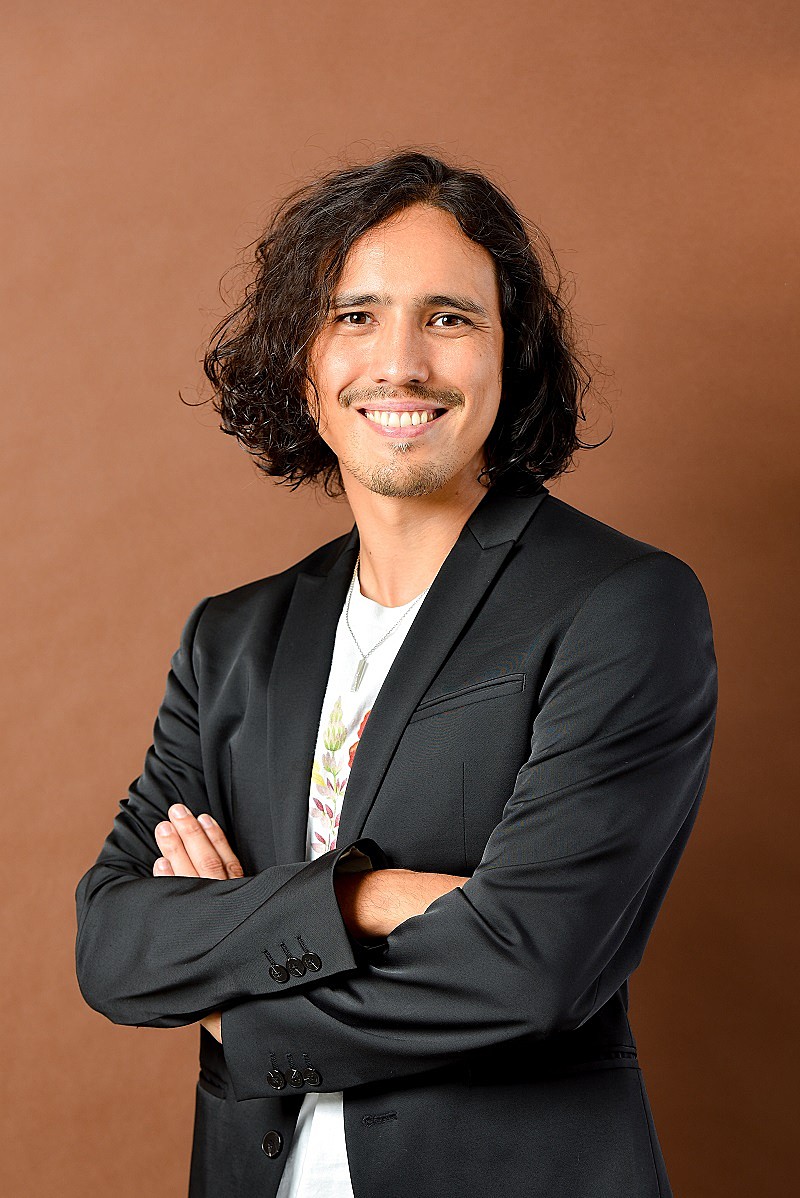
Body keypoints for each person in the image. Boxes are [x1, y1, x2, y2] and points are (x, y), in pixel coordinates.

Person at [75, 150, 718, 1198]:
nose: (401, 363)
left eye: (448, 318)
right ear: (302, 363)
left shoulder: (621, 606)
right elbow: (114, 942)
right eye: (354, 316)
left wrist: (239, 992)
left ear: (511, 354)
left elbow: (533, 964)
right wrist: (365, 897)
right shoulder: (231, 637)